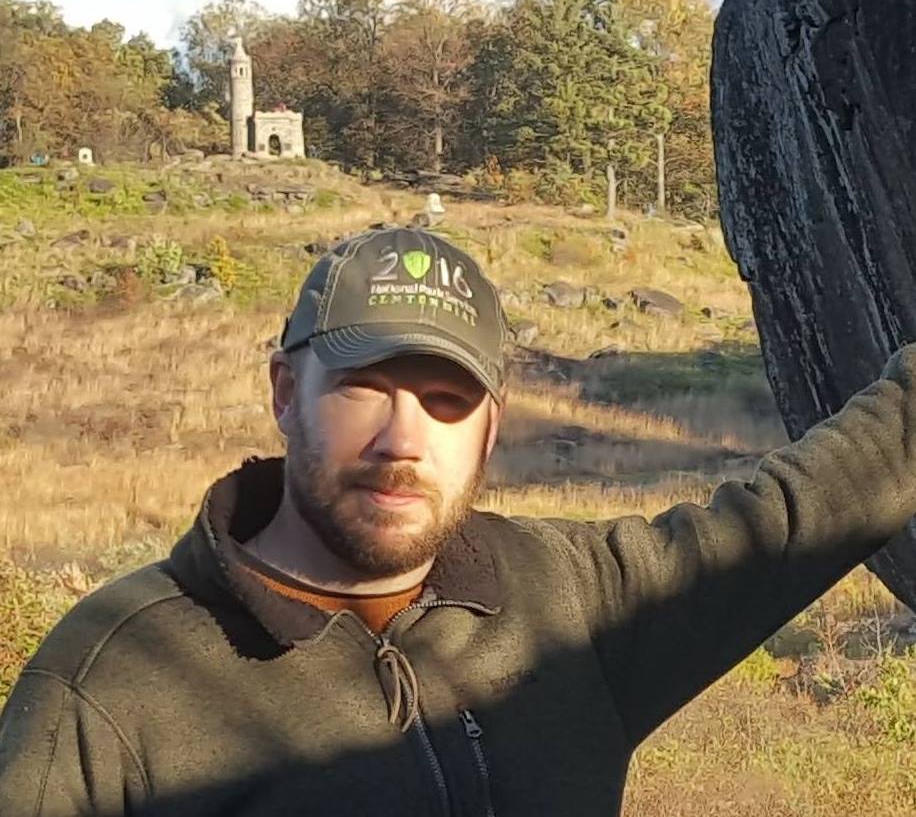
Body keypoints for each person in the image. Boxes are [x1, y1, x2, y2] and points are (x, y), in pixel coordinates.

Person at [1, 225, 915, 816]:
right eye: (365, 388)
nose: (404, 439)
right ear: (286, 392)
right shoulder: (111, 681)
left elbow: (801, 511)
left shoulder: (570, 599)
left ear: (490, 428)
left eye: (446, 400)